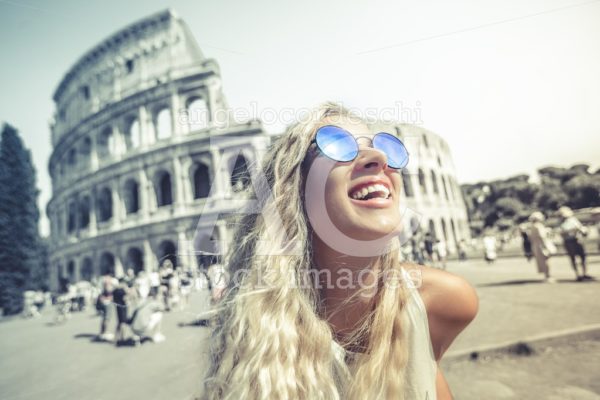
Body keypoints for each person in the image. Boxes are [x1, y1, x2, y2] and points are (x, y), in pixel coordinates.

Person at [201, 103, 478, 399]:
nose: (379, 157)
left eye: (382, 147)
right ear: (292, 192)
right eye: (337, 144)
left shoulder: (444, 301)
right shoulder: (252, 333)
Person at [558, 206, 591, 281]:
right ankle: (578, 274)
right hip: (569, 242)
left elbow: (581, 229)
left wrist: (583, 231)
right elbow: (563, 232)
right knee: (573, 258)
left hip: (576, 240)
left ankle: (584, 273)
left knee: (582, 257)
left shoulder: (573, 220)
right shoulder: (562, 223)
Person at [528, 212, 555, 283]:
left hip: (536, 245)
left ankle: (547, 275)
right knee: (546, 260)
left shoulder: (532, 226)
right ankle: (548, 276)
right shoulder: (538, 226)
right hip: (542, 245)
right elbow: (542, 236)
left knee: (542, 261)